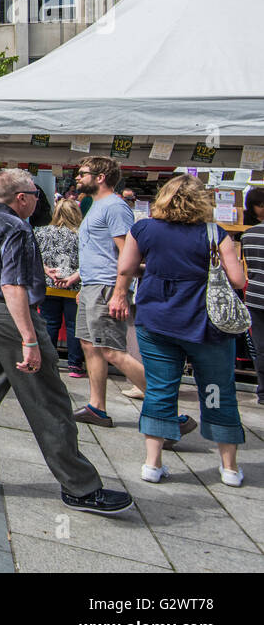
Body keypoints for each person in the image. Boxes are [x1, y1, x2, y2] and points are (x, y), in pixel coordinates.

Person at [0, 169, 133, 515]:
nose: (38, 199)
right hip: (10, 317)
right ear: (22, 198)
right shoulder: (17, 227)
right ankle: (81, 487)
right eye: (34, 193)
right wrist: (29, 338)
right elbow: (12, 285)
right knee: (49, 402)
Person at [114, 175, 248, 486]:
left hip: (157, 320)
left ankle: (152, 464)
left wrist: (152, 272)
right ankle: (228, 468)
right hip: (207, 326)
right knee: (217, 391)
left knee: (161, 389)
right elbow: (238, 280)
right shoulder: (215, 233)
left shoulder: (144, 229)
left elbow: (126, 267)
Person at [71, 156, 155, 430]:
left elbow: (127, 253)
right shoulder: (97, 205)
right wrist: (82, 281)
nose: (77, 178)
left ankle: (165, 404)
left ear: (100, 177)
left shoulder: (115, 207)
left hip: (108, 286)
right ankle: (97, 407)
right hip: (94, 285)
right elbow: (97, 251)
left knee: (111, 349)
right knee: (90, 344)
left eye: (82, 173)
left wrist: (120, 292)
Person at [35, 198, 84, 377]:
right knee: (74, 326)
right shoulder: (82, 234)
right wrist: (72, 278)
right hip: (75, 288)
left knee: (49, 324)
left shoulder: (41, 232)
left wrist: (48, 272)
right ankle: (75, 365)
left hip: (49, 286)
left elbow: (34, 258)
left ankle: (48, 362)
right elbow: (88, 263)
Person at [243, 188, 264, 404]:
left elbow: (249, 268)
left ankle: (263, 392)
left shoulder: (249, 235)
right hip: (256, 296)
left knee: (261, 347)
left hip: (256, 296)